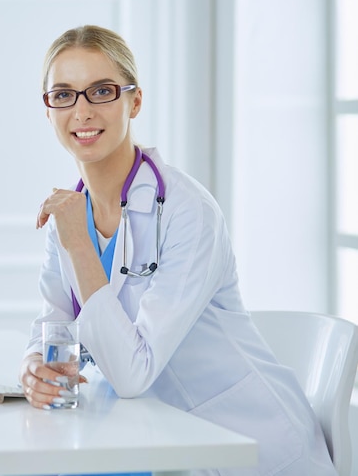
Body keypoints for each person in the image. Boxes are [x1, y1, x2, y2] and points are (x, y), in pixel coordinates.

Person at [18, 25, 336, 475]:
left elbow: (132, 374)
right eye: (64, 94)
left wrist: (80, 246)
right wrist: (33, 366)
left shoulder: (187, 212)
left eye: (101, 91)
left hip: (247, 446)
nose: (82, 111)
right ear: (48, 110)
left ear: (135, 101)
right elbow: (54, 325)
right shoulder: (69, 215)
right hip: (157, 440)